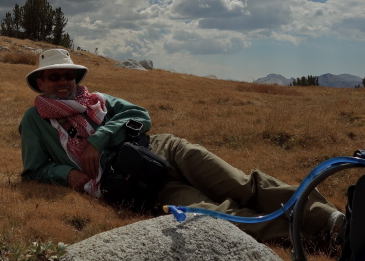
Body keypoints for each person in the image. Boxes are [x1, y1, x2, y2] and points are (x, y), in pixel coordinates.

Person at [19, 48, 344, 243]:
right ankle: (312, 238)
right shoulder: (34, 120)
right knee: (216, 214)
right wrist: (65, 174)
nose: (62, 82)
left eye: (67, 75)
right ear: (41, 82)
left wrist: (99, 139)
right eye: (53, 77)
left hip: (160, 148)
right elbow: (35, 168)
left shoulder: (97, 100)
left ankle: (330, 219)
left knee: (239, 184)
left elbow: (139, 115)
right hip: (132, 184)